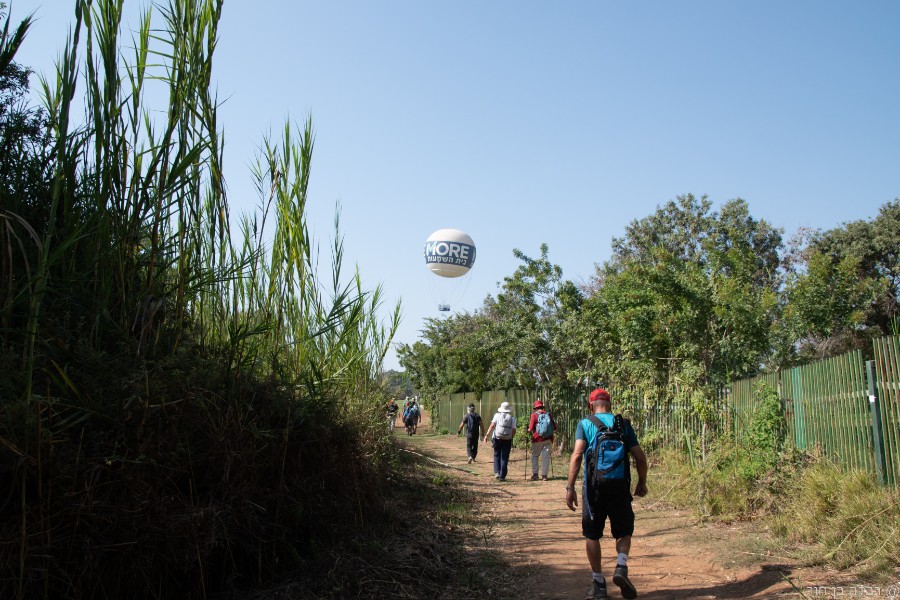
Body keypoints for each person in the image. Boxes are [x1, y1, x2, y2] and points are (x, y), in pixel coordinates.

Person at [565, 388, 648, 600]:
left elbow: (576, 456)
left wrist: (570, 488)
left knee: (592, 534)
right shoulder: (624, 425)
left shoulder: (585, 424)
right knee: (624, 531)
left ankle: (599, 584)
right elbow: (640, 457)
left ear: (590, 405)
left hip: (594, 489)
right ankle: (621, 567)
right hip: (620, 487)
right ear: (609, 404)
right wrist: (642, 483)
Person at [483, 401, 516, 481]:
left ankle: (497, 472)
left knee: (497, 455)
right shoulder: (512, 418)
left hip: (497, 438)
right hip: (507, 440)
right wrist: (510, 437)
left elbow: (492, 425)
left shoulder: (497, 415)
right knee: (504, 457)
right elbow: (514, 430)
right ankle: (502, 476)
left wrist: (487, 435)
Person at [527, 399, 557, 481]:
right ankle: (544, 476)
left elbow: (530, 428)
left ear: (535, 408)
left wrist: (528, 430)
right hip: (548, 439)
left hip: (537, 439)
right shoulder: (548, 414)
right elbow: (554, 428)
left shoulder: (534, 415)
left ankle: (535, 474)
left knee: (535, 456)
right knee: (546, 457)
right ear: (542, 407)